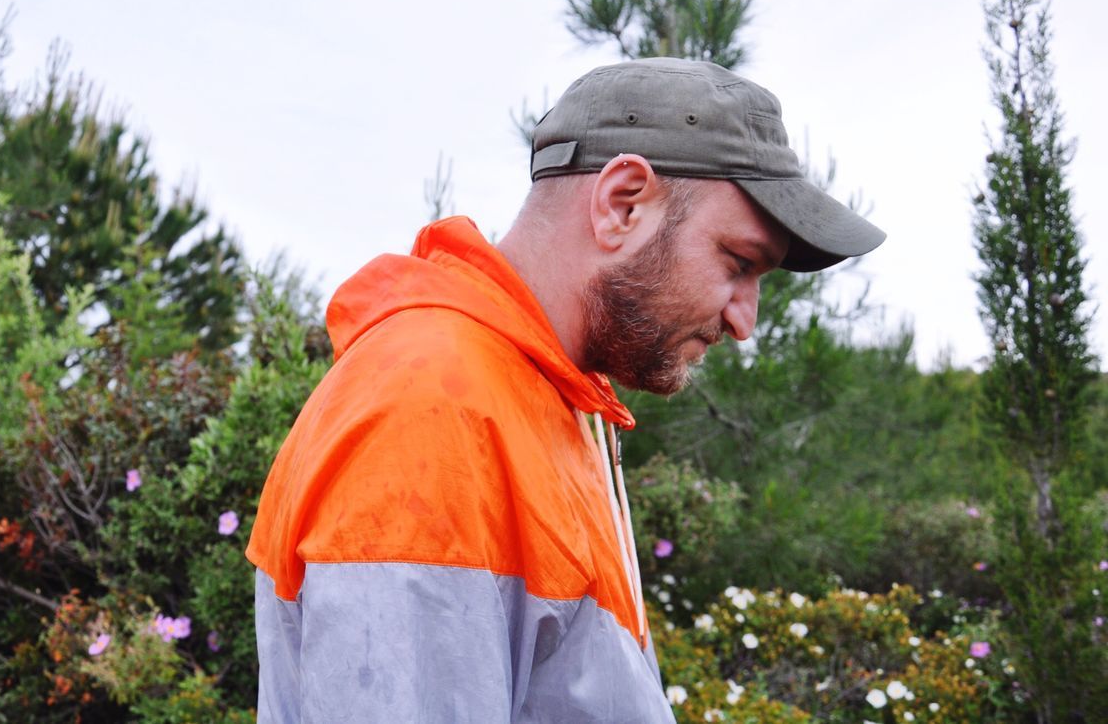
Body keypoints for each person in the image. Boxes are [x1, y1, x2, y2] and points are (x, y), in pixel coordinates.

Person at [245, 58, 884, 722]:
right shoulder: (431, 415)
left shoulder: (548, 396)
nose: (744, 321)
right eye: (739, 262)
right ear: (622, 203)